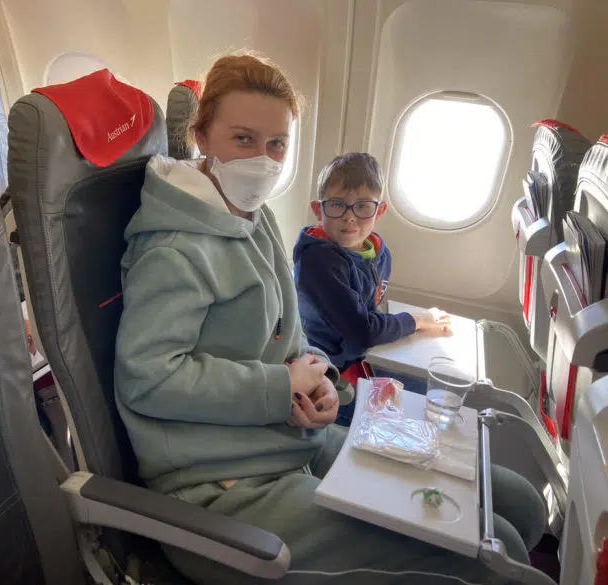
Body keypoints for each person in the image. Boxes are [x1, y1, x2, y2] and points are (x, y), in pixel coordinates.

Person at [114, 51, 545, 584]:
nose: (263, 160)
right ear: (203, 136)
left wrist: (318, 386)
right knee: (490, 555)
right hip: (220, 485)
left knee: (522, 505)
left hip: (289, 438)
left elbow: (290, 341)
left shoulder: (257, 219)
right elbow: (146, 377)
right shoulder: (174, 250)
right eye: (243, 139)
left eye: (277, 144)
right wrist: (279, 386)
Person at [293, 153, 449, 424]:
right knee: (392, 419)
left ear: (380, 211)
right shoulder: (318, 260)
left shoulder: (377, 252)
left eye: (363, 207)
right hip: (323, 366)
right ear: (318, 210)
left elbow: (369, 312)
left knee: (428, 394)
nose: (350, 218)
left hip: (356, 355)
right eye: (337, 206)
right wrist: (419, 320)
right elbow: (363, 329)